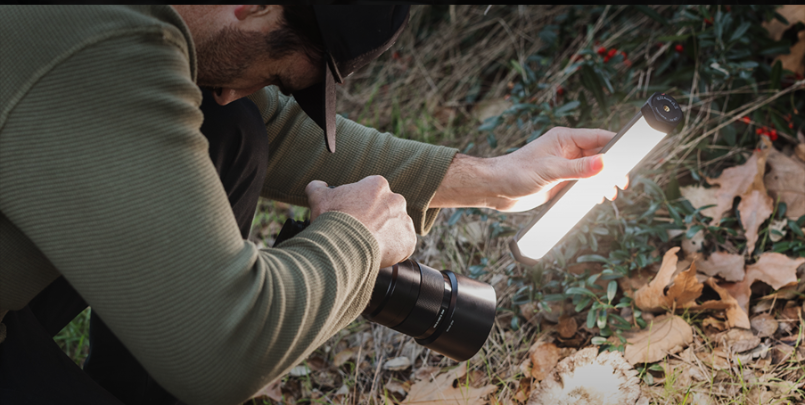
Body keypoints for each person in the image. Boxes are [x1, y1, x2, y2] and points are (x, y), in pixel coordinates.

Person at [0, 5, 617, 405]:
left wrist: (494, 177)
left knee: (232, 125)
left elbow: (273, 130)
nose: (236, 89)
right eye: (278, 74)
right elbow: (227, 350)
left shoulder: (143, 22)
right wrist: (355, 241)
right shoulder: (107, 44)